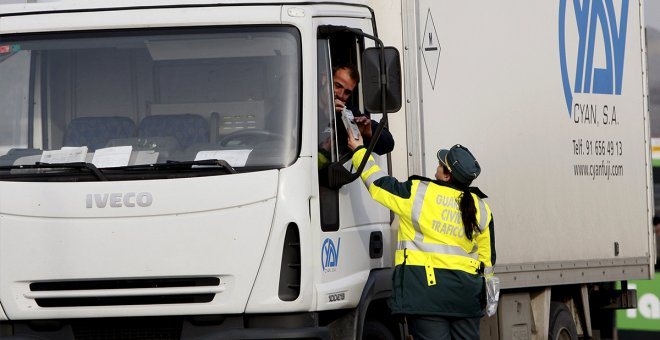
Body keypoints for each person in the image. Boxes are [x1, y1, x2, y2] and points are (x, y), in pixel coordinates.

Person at [347, 130, 496, 340]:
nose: (437, 165)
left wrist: (359, 151)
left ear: (447, 175)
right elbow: (487, 261)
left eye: (440, 163)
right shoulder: (481, 208)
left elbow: (378, 184)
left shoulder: (419, 193)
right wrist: (486, 296)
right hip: (466, 299)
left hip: (427, 295)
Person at [332, 64, 394, 156]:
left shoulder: (349, 113)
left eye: (347, 92)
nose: (341, 95)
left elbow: (388, 144)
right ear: (325, 79)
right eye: (338, 86)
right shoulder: (306, 106)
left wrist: (368, 134)